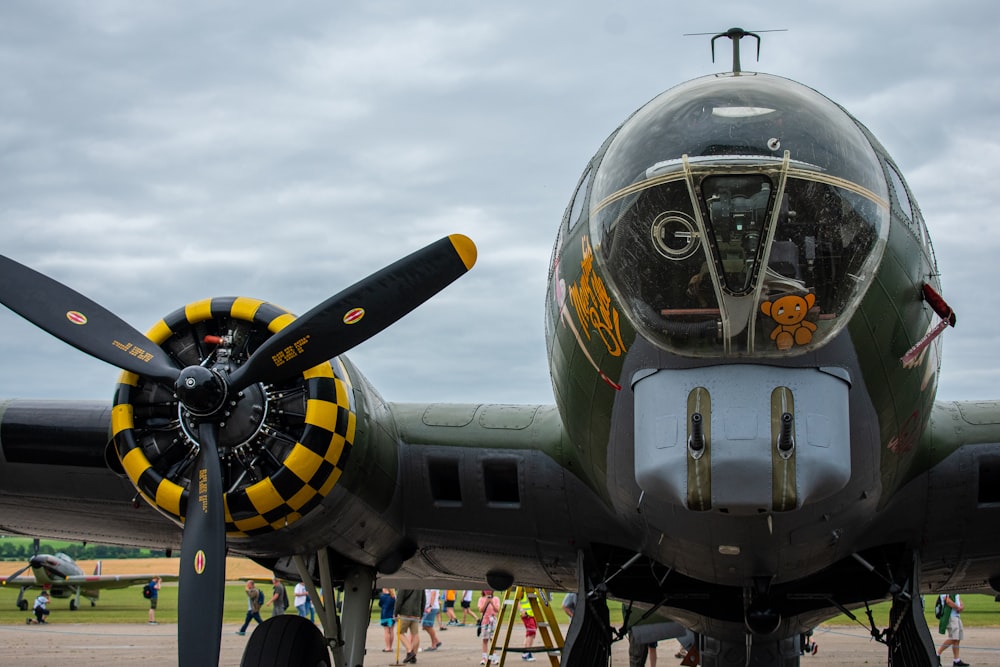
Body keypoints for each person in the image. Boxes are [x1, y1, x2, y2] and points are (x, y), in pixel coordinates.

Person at [936, 593, 970, 666]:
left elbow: (959, 599)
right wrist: (957, 607)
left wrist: (961, 606)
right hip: (950, 617)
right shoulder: (944, 591)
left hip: (957, 616)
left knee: (957, 639)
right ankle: (937, 654)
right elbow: (948, 601)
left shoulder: (955, 590)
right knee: (953, 637)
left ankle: (956, 660)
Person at [395, 588, 425, 664]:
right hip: (416, 613)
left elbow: (399, 599)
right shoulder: (421, 584)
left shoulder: (404, 583)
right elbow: (424, 600)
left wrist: (395, 612)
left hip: (405, 612)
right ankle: (413, 656)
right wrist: (421, 613)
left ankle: (410, 651)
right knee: (415, 634)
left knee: (399, 633)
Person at [478, 590, 501, 665]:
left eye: (489, 590)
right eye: (486, 590)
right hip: (485, 621)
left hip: (493, 621)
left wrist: (491, 602)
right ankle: (484, 657)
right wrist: (486, 602)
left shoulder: (496, 599)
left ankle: (494, 657)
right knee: (485, 639)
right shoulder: (481, 599)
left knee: (493, 639)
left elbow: (497, 610)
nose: (488, 592)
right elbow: (481, 610)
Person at [519, 596, 537, 661]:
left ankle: (525, 652)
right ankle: (527, 653)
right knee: (531, 633)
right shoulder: (524, 590)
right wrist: (521, 610)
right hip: (527, 615)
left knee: (531, 634)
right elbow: (517, 599)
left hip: (533, 615)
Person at [379, 588, 396, 653]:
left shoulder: (383, 597)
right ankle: (390, 646)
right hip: (391, 616)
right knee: (391, 631)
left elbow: (380, 604)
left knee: (386, 631)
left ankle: (387, 647)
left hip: (385, 616)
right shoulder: (393, 596)